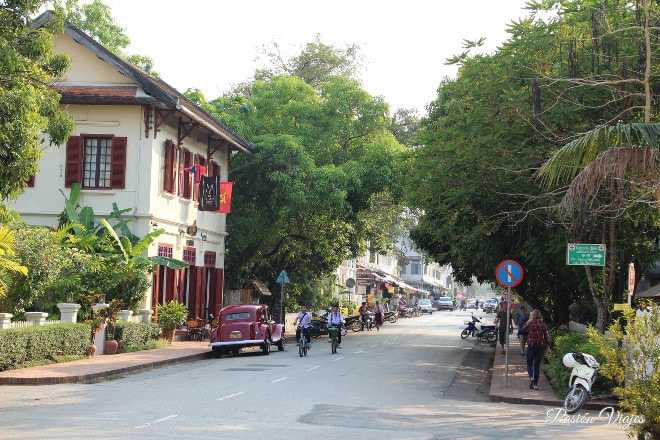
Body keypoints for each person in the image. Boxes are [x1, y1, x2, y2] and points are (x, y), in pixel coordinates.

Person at [523, 309, 550, 390]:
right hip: (540, 347)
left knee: (529, 364)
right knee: (537, 366)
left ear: (533, 316)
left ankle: (531, 378)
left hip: (531, 346)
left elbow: (523, 328)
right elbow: (547, 337)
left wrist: (529, 320)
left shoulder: (531, 323)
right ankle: (535, 385)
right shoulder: (543, 324)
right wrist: (548, 348)